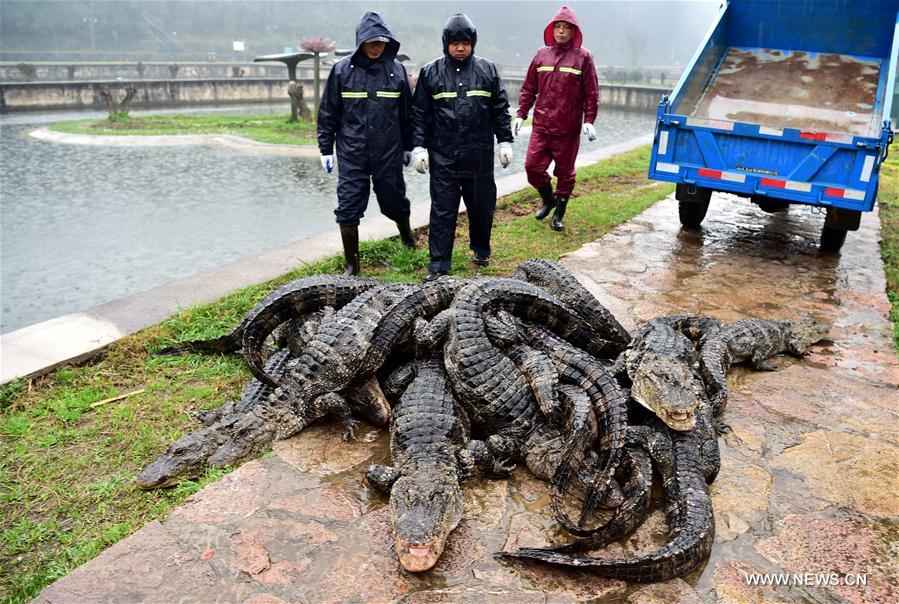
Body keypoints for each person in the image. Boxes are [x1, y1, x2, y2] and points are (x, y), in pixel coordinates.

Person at [410, 13, 514, 281]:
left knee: (481, 208)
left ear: (473, 43)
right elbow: (420, 113)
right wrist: (419, 147)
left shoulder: (487, 70)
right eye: (454, 43)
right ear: (446, 43)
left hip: (478, 157)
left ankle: (481, 249)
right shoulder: (430, 72)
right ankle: (439, 264)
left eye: (465, 43)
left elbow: (500, 108)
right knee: (443, 210)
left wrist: (504, 140)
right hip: (443, 158)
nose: (459, 48)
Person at [317, 11, 416, 276]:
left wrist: (410, 145)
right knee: (348, 206)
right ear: (361, 41)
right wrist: (325, 148)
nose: (376, 47)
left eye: (381, 42)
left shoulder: (396, 70)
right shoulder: (341, 71)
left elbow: (407, 113)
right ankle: (353, 264)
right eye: (372, 42)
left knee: (394, 201)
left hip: (389, 152)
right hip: (352, 153)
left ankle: (407, 238)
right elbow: (328, 111)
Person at [514, 6, 598, 231]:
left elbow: (591, 93)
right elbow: (529, 87)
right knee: (532, 167)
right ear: (551, 29)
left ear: (574, 31)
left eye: (566, 28)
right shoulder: (542, 55)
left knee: (565, 173)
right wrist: (521, 114)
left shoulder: (583, 58)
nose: (561, 32)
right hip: (541, 125)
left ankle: (558, 214)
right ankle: (548, 200)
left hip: (567, 129)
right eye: (557, 27)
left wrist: (589, 120)